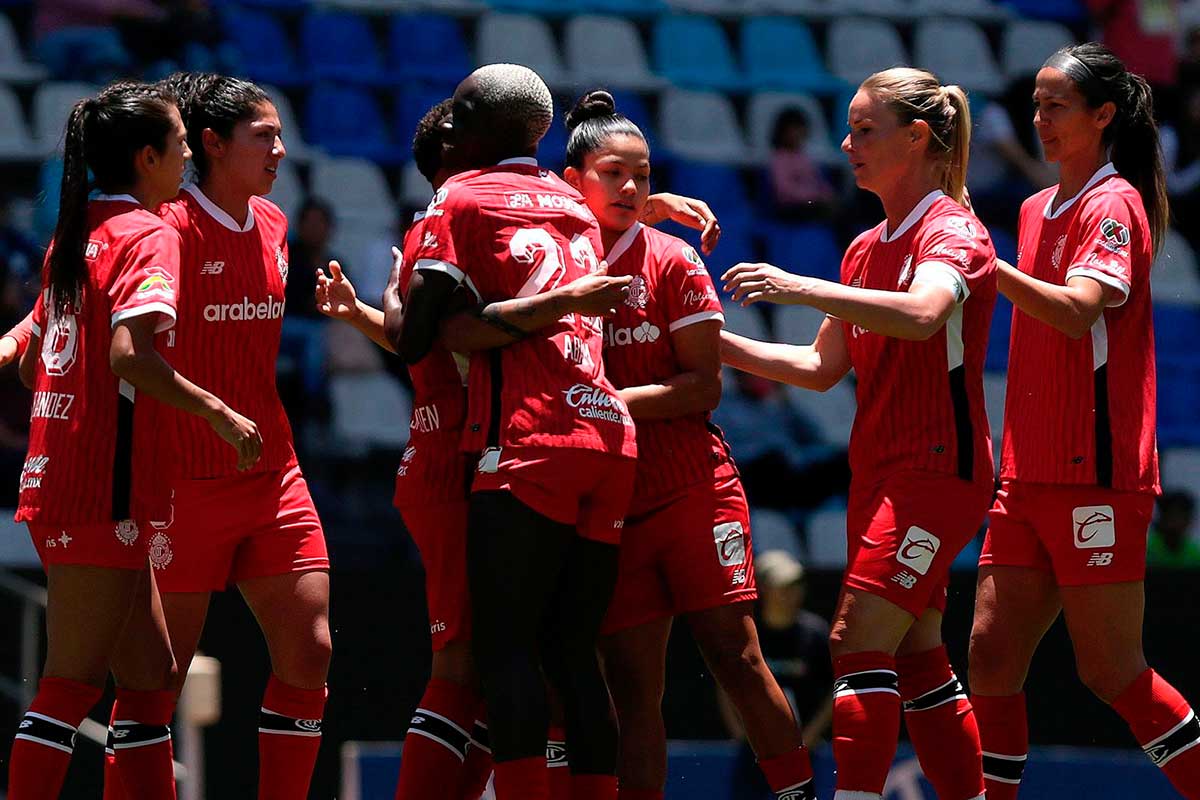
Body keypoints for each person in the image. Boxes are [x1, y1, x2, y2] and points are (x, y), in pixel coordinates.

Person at [315, 96, 722, 800]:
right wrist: (373, 311)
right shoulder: (470, 217)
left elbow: (432, 338)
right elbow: (432, 344)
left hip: (504, 449)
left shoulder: (479, 219)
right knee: (495, 663)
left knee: (501, 663)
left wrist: (376, 308)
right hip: (475, 455)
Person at [527, 90, 815, 800]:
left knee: (737, 659)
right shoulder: (552, 264)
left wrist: (606, 405)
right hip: (611, 505)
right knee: (633, 690)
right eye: (613, 174)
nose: (630, 188)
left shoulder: (674, 260)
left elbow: (703, 387)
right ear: (573, 181)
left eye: (643, 177)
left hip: (693, 489)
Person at [722, 67, 996, 800]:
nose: (845, 145)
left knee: (853, 640)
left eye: (864, 130)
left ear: (917, 138)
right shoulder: (864, 248)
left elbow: (923, 314)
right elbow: (819, 368)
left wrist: (798, 286)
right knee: (918, 659)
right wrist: (711, 342)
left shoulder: (952, 230)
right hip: (878, 477)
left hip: (936, 473)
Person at [7, 79, 259, 800]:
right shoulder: (150, 234)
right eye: (180, 144)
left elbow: (31, 360)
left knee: (150, 680)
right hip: (101, 489)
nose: (189, 157)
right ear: (148, 157)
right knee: (69, 685)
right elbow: (129, 354)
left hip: (61, 474)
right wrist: (217, 410)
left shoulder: (79, 229)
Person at [394, 64, 639, 800]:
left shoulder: (460, 196)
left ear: (473, 128)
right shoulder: (575, 201)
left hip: (527, 441)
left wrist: (400, 304)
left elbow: (418, 338)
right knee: (574, 655)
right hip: (609, 434)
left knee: (502, 653)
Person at [967, 43, 1200, 800]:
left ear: (1103, 115)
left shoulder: (1115, 204)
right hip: (1025, 472)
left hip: (1095, 472)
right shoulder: (1035, 208)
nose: (1039, 119)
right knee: (990, 657)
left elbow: (1076, 311)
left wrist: (987, 265)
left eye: (1056, 106)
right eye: (1034, 105)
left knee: (1111, 672)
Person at [103, 72, 330, 800]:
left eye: (281, 136)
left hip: (272, 474)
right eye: (264, 136)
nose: (280, 151)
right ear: (212, 143)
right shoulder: (163, 228)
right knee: (156, 681)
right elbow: (129, 351)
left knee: (311, 650)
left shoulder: (275, 224)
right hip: (180, 481)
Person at [724, 550, 833, 800]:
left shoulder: (815, 633)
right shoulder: (748, 632)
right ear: (764, 589)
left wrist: (811, 735)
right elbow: (726, 683)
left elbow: (834, 688)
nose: (792, 594)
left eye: (796, 586)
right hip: (752, 749)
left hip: (805, 750)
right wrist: (740, 732)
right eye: (783, 587)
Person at [1147, 490, 1200, 568]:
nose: (1176, 522)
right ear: (1162, 518)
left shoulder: (1195, 554)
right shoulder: (1146, 550)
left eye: (1181, 517)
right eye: (1172, 516)